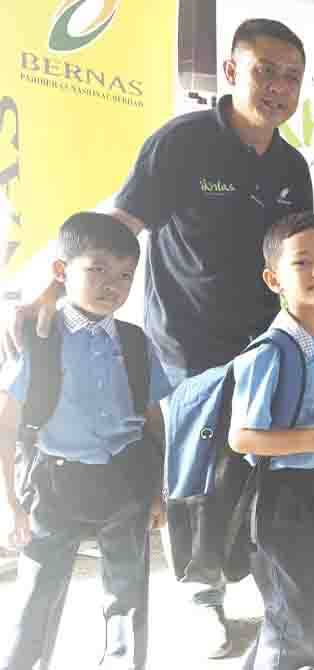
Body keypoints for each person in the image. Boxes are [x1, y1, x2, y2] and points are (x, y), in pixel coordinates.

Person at [1, 18, 313, 657]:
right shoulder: (183, 143)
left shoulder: (291, 165)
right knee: (192, 469)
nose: (278, 87)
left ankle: (231, 567)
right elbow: (114, 228)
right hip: (187, 346)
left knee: (245, 462)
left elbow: (296, 251)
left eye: (291, 76)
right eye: (265, 71)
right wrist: (46, 291)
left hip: (263, 344)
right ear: (231, 72)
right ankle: (200, 593)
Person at [0, 213, 171, 670]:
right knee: (38, 593)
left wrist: (157, 491)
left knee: (127, 592)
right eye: (97, 269)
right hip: (55, 482)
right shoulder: (36, 337)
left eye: (124, 275)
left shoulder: (136, 343)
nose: (111, 284)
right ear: (62, 272)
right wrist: (13, 503)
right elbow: (8, 423)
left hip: (125, 480)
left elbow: (153, 420)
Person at [228, 213, 314, 669]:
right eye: (303, 262)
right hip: (285, 497)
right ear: (274, 279)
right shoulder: (272, 351)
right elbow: (242, 437)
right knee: (295, 613)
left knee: (300, 608)